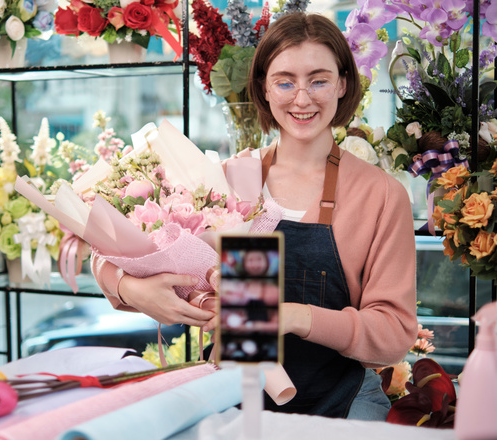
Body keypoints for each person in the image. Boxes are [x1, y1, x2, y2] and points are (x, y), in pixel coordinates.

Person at [91, 12, 417, 420]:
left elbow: (392, 337)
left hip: (342, 398)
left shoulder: (380, 195)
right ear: (264, 88)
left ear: (343, 84)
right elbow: (108, 250)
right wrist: (133, 291)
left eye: (318, 80)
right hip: (229, 392)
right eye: (285, 81)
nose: (302, 98)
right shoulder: (228, 178)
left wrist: (293, 316)